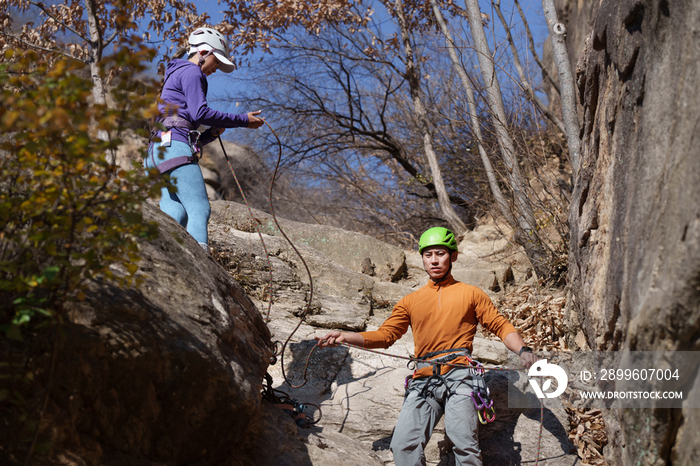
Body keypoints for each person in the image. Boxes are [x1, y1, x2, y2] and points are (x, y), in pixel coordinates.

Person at [316, 226, 538, 466]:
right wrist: (347, 336)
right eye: (428, 254)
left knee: (464, 443)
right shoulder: (410, 301)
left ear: (452, 256)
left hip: (461, 375)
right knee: (403, 445)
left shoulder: (471, 294)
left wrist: (523, 351)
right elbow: (386, 335)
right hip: (423, 380)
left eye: (440, 254)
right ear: (422, 258)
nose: (434, 260)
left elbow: (500, 326)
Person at [146, 27, 265, 250]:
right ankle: (199, 260)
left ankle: (171, 258)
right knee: (200, 208)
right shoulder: (192, 72)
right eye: (216, 62)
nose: (215, 69)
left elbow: (183, 128)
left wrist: (210, 134)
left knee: (175, 213)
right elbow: (200, 113)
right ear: (203, 51)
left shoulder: (174, 74)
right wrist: (242, 120)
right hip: (175, 147)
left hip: (157, 151)